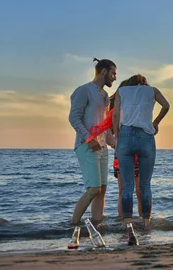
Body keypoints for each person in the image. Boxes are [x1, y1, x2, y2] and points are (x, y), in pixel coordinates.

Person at [113, 74, 170, 245]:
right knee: (145, 185)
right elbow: (166, 106)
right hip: (146, 135)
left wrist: (117, 135)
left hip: (126, 134)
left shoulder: (122, 91)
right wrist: (155, 122)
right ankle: (146, 224)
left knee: (127, 186)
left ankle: (128, 225)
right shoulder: (152, 90)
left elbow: (116, 115)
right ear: (144, 83)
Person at [68, 57, 117, 226]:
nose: (114, 78)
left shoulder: (105, 96)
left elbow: (105, 125)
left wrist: (115, 143)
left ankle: (97, 225)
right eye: (113, 73)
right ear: (103, 71)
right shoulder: (83, 91)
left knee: (102, 190)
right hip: (86, 146)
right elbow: (74, 118)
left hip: (102, 148)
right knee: (94, 188)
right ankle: (73, 225)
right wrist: (88, 139)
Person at [108, 85, 143, 219]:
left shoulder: (133, 110)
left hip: (132, 150)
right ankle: (127, 222)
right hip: (124, 150)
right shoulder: (114, 112)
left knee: (137, 190)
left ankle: (138, 221)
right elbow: (110, 132)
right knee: (126, 190)